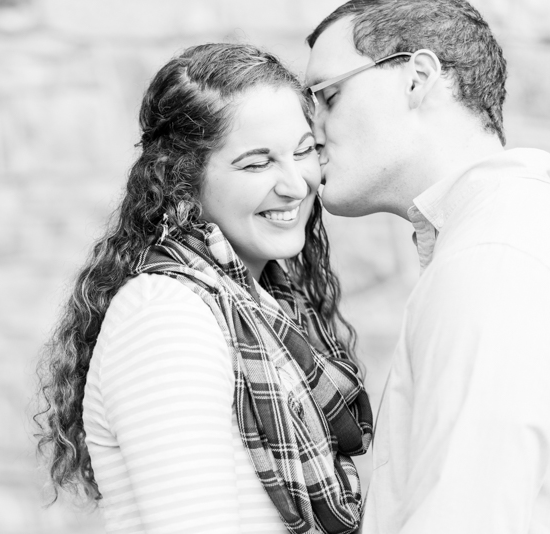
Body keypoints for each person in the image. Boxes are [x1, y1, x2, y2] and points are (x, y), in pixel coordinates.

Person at [304, 1, 550, 533]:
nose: (310, 132)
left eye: (328, 97)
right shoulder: (501, 238)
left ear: (417, 78)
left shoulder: (497, 258)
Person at [35, 43, 373, 534]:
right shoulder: (167, 315)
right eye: (257, 164)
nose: (296, 185)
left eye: (303, 151)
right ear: (184, 180)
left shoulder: (266, 304)